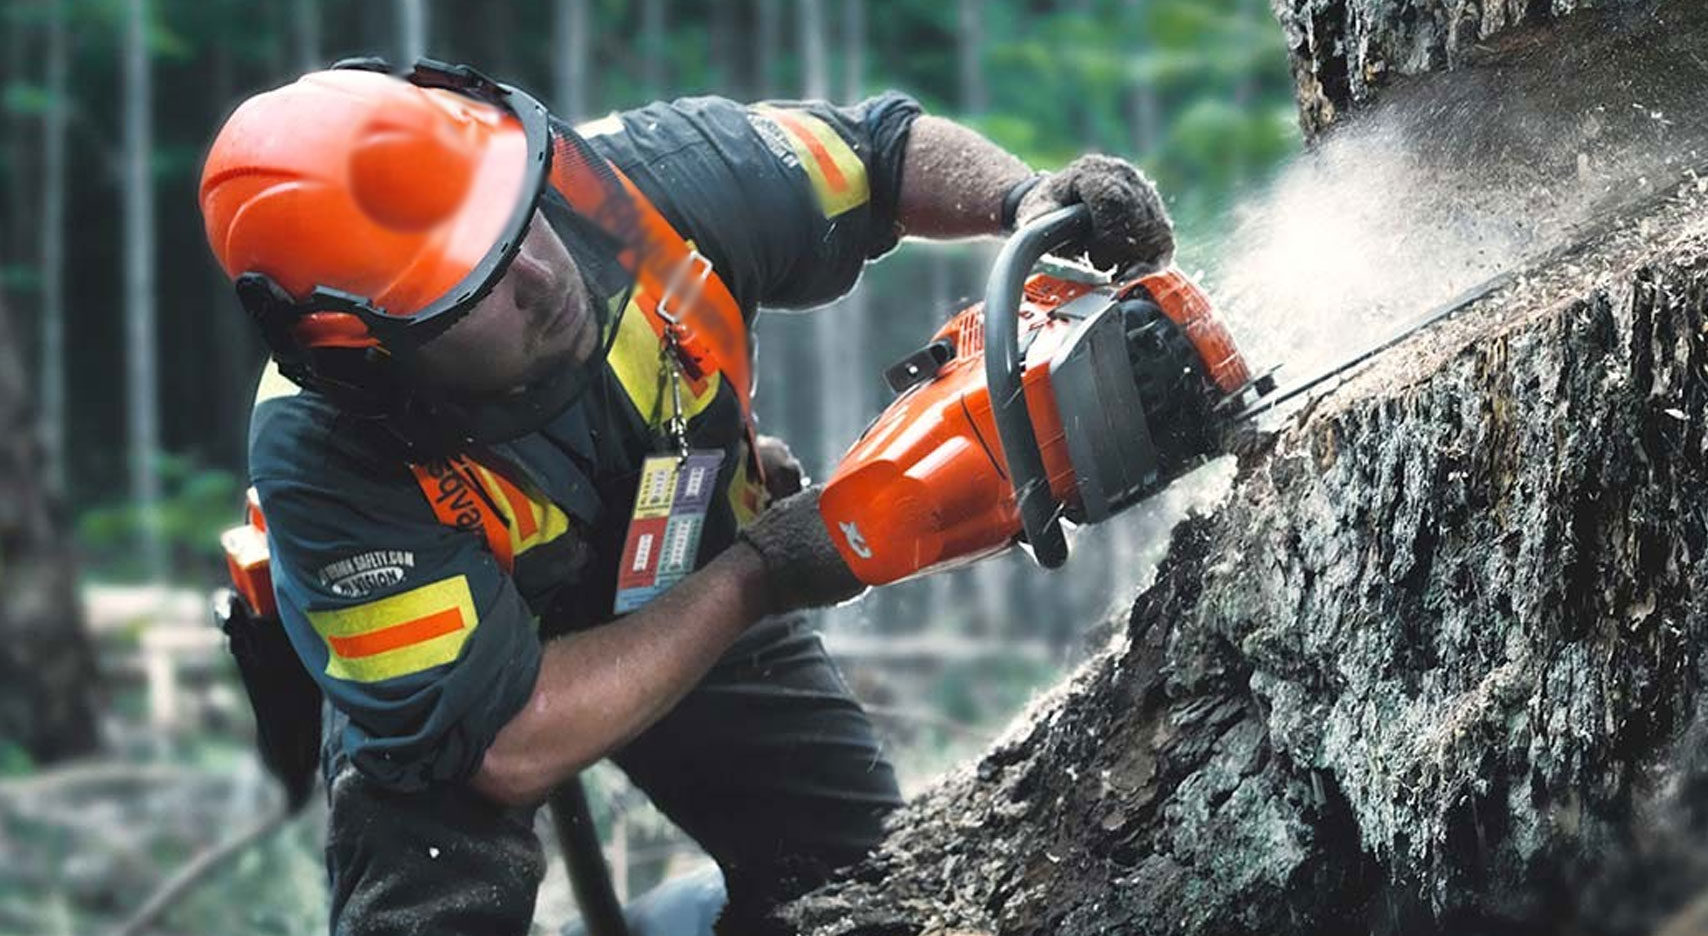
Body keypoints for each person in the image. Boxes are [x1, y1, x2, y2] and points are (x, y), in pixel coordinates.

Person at [197, 56, 1174, 935]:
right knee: (434, 869)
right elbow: (504, 740)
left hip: (682, 561)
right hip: (457, 696)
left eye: (517, 208)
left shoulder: (637, 187)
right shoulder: (325, 454)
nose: (542, 271)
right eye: (473, 281)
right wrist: (760, 576)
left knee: (865, 875)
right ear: (366, 351)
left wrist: (1023, 199)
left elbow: (876, 153)